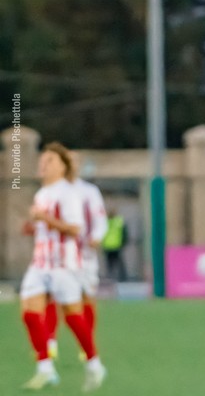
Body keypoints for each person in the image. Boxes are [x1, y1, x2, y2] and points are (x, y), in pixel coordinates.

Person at [19, 142, 106, 391]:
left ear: (62, 167)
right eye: (42, 160)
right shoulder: (42, 194)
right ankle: (45, 368)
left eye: (50, 161)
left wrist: (44, 218)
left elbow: (75, 228)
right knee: (29, 311)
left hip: (65, 264)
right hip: (41, 262)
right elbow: (45, 226)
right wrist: (33, 227)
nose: (43, 165)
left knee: (73, 316)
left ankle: (94, 363)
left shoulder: (70, 194)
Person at [45, 151, 109, 361]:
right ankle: (49, 341)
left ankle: (86, 345)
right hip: (56, 255)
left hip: (84, 255)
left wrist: (96, 237)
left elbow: (100, 219)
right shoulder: (50, 191)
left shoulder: (89, 191)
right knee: (52, 295)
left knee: (86, 297)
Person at [103, 209, 128, 282]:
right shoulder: (118, 221)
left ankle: (117, 277)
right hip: (113, 245)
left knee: (113, 263)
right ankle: (118, 277)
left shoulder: (107, 221)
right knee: (114, 263)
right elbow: (124, 233)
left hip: (111, 245)